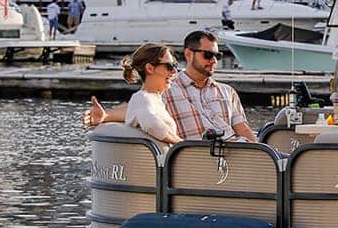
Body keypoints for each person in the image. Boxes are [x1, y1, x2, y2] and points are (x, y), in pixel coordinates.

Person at [85, 30, 258, 142]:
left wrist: (264, 154)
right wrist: (106, 115)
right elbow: (138, 108)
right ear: (189, 54)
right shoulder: (167, 88)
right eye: (208, 55)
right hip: (207, 162)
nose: (213, 61)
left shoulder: (228, 91)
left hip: (241, 156)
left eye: (217, 56)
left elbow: (242, 128)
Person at [120, 43, 182, 145]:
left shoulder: (153, 100)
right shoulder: (142, 98)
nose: (175, 71)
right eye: (169, 66)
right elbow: (152, 125)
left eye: (175, 65)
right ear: (150, 68)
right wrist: (184, 145)